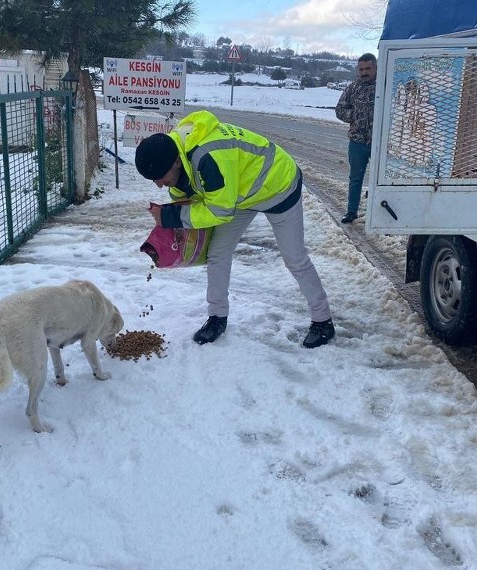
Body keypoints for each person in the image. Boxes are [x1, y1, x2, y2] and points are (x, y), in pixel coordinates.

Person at [134, 110, 334, 348]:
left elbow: (218, 212)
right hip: (238, 195)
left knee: (294, 258)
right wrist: (173, 223)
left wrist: (169, 216)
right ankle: (217, 317)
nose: (158, 185)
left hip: (278, 186)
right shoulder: (176, 157)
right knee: (218, 253)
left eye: (160, 177)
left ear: (175, 161)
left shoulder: (209, 157)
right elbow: (189, 202)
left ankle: (323, 322)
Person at [335, 52, 377, 224]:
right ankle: (352, 211)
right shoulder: (352, 88)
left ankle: (379, 216)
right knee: (355, 178)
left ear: (375, 67)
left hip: (380, 143)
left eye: (368, 68)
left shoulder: (386, 86)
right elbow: (339, 110)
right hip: (358, 142)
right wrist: (354, 115)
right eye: (361, 69)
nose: (364, 72)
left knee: (379, 180)